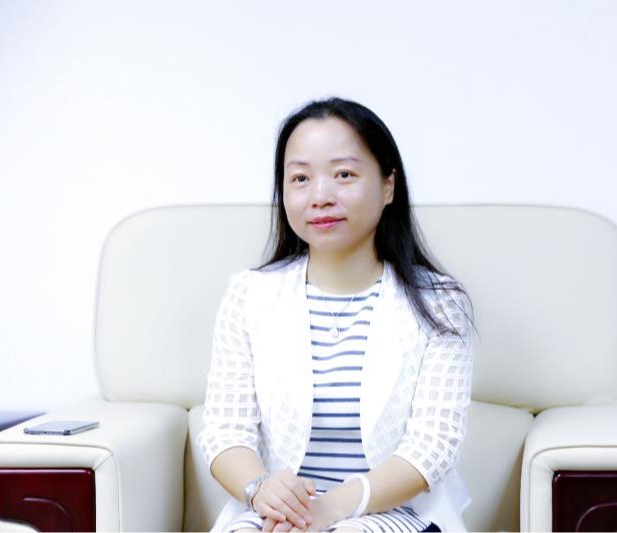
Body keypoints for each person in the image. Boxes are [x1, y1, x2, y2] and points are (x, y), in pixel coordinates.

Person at [198, 97, 473, 532]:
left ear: (388, 186)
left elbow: (432, 447)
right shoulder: (249, 295)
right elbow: (225, 431)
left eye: (344, 174)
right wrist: (262, 491)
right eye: (300, 178)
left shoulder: (439, 303)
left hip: (395, 513)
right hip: (275, 513)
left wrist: (327, 511)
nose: (321, 197)